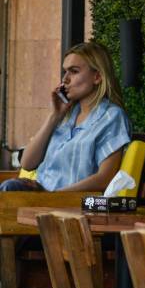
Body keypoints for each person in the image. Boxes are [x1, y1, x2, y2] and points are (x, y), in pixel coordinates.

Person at [0, 42, 131, 192]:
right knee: (10, 187)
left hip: (68, 201)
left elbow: (105, 178)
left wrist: (53, 197)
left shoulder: (111, 117)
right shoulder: (67, 115)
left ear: (97, 77)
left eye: (74, 71)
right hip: (42, 194)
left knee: (8, 189)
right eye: (65, 72)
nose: (65, 79)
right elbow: (27, 163)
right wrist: (54, 116)